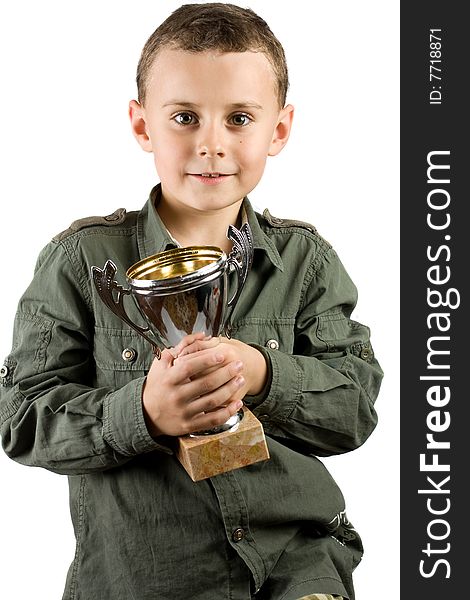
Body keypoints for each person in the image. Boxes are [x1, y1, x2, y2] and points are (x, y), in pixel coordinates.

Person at [0, 3, 383, 599]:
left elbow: (355, 411)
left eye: (238, 118)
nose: (211, 144)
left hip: (293, 568)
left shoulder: (307, 262)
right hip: (144, 579)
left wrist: (262, 374)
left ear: (278, 129)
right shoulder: (81, 260)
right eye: (184, 117)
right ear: (141, 124)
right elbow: (20, 418)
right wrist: (143, 414)